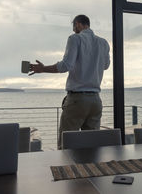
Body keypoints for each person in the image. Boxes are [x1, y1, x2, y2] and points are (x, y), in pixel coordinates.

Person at [29, 14, 110, 149]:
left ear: (78, 24)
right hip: (96, 101)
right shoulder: (103, 43)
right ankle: (90, 169)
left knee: (66, 146)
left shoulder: (75, 39)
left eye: (74, 27)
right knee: (93, 146)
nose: (73, 30)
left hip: (77, 100)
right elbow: (106, 66)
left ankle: (66, 170)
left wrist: (43, 69)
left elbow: (66, 65)